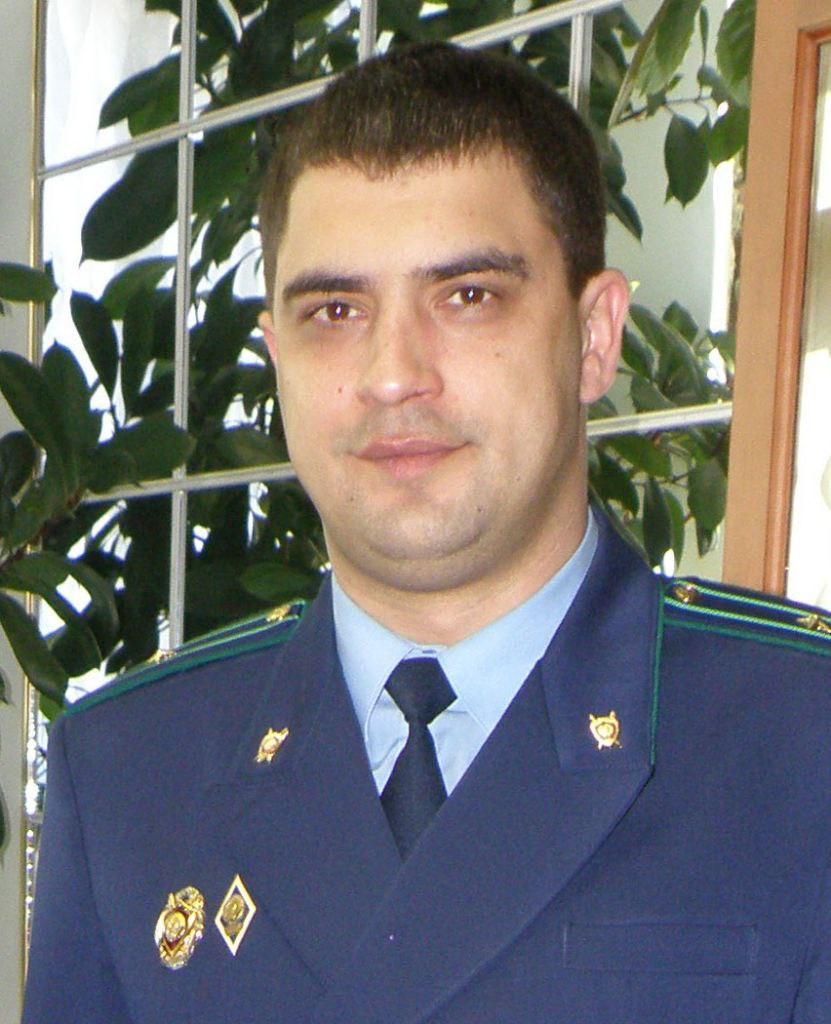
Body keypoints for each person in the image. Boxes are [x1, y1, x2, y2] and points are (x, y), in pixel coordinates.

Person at [22, 42, 831, 1024]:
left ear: (594, 337)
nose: (393, 373)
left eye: (467, 296)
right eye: (334, 310)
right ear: (276, 357)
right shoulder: (130, 770)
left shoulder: (798, 738)